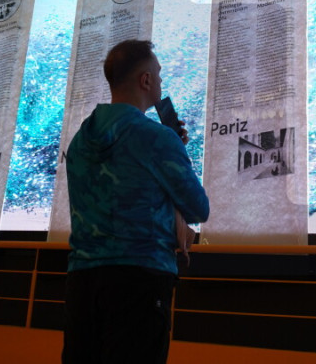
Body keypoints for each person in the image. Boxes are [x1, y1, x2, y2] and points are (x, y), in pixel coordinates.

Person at [62, 39, 209, 364]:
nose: (160, 81)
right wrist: (177, 150)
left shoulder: (79, 141)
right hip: (140, 280)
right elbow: (198, 208)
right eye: (158, 74)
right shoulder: (157, 137)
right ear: (145, 80)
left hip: (82, 281)